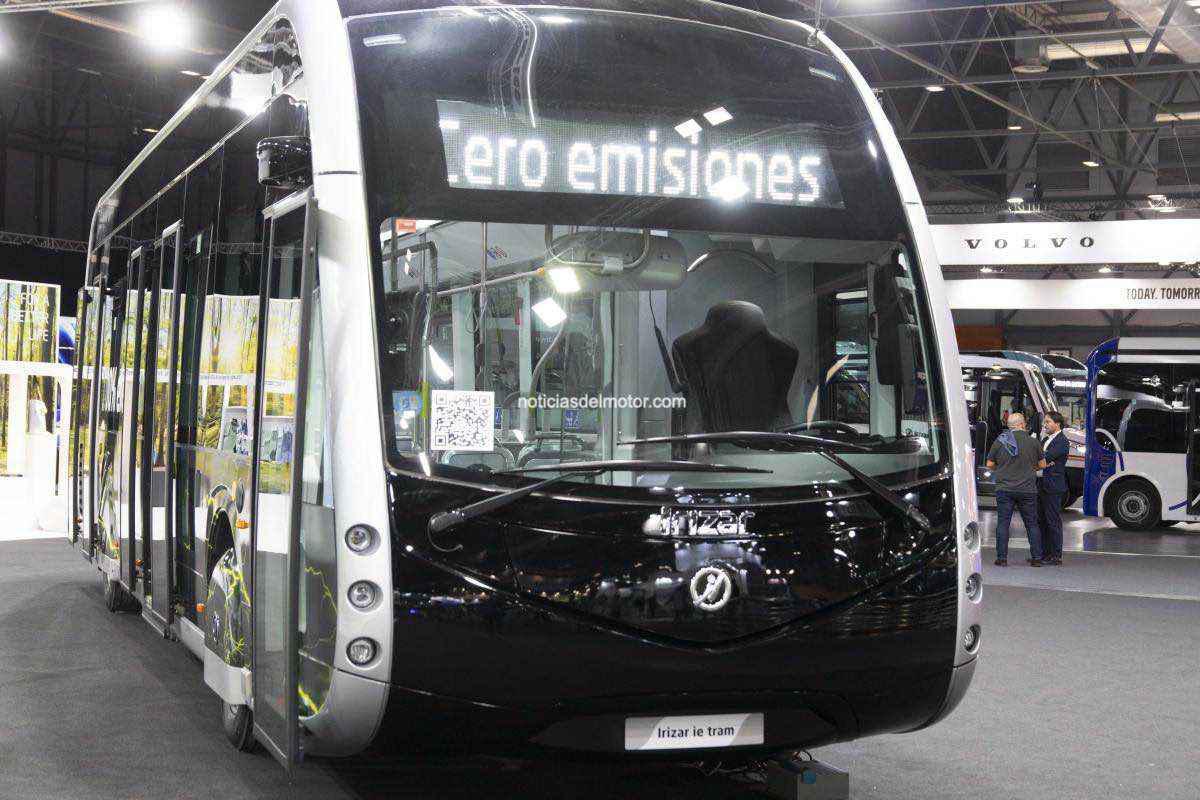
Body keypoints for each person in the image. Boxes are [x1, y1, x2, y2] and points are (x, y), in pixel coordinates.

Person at [986, 412, 1046, 567]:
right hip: (1027, 489)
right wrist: (1030, 468)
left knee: (1003, 523)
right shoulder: (1033, 442)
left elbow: (990, 464)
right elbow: (1042, 464)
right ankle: (1037, 558)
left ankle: (1002, 558)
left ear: (1009, 425)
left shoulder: (1000, 440)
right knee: (1032, 524)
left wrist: (1002, 468)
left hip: (1004, 489)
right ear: (1022, 424)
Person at [1038, 411, 1070, 566]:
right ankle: (1044, 554)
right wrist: (1044, 461)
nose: (1045, 425)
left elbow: (1046, 458)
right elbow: (1039, 458)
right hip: (1040, 484)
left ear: (1057, 424)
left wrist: (1045, 460)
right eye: (1044, 422)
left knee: (1053, 521)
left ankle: (1056, 555)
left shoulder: (1062, 441)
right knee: (1041, 520)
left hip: (1053, 486)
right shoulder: (1045, 439)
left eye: (1048, 422)